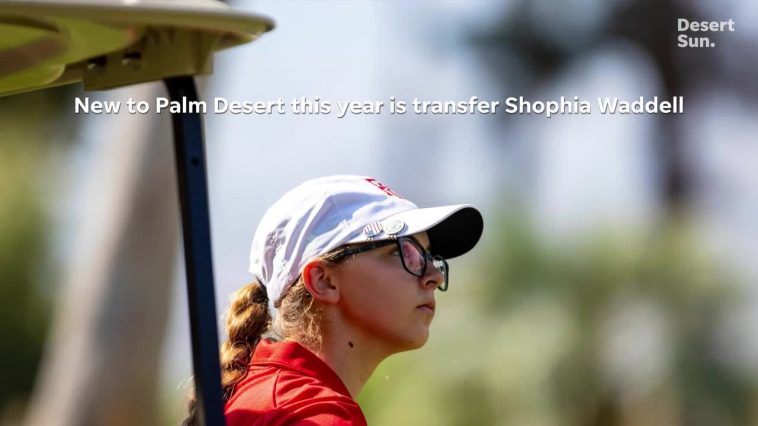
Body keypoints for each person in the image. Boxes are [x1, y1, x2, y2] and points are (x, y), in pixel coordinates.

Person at [183, 175, 483, 425]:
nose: (434, 275)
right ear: (323, 281)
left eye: (431, 257)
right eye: (404, 252)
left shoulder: (271, 393)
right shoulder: (312, 414)